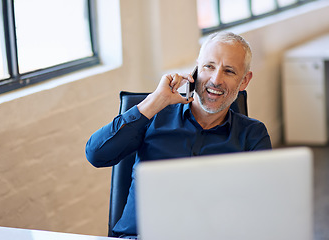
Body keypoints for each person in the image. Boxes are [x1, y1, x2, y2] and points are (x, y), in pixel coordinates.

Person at [85, 31, 272, 238]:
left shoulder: (252, 135)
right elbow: (96, 155)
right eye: (208, 66)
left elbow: (262, 211)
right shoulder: (155, 116)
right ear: (196, 70)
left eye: (229, 71)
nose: (215, 79)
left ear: (244, 81)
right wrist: (153, 102)